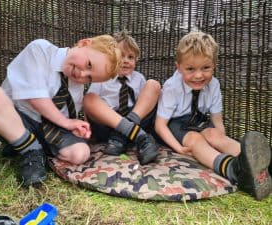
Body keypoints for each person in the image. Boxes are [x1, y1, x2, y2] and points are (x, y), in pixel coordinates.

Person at [0, 35, 121, 187]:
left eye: (89, 78)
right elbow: (35, 97)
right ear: (84, 44)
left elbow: (64, 117)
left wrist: (74, 128)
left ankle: (23, 145)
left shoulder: (76, 86)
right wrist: (66, 122)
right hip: (17, 118)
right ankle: (32, 152)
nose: (82, 75)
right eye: (89, 65)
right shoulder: (40, 50)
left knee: (81, 152)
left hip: (46, 128)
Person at [155, 31, 272, 200]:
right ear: (178, 67)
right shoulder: (172, 87)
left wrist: (219, 139)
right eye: (190, 69)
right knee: (195, 139)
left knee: (213, 133)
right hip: (174, 124)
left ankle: (259, 164)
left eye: (206, 68)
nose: (198, 75)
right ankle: (234, 170)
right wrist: (178, 148)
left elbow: (216, 119)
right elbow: (160, 125)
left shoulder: (214, 85)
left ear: (214, 64)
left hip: (199, 119)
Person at [83, 30, 161, 165]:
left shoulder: (139, 78)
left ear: (136, 60)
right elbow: (89, 108)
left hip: (136, 121)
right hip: (108, 126)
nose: (125, 61)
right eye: (121, 56)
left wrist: (133, 119)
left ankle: (121, 136)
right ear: (111, 57)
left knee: (153, 84)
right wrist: (88, 132)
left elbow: (146, 102)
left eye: (130, 57)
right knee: (89, 98)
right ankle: (135, 137)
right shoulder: (102, 78)